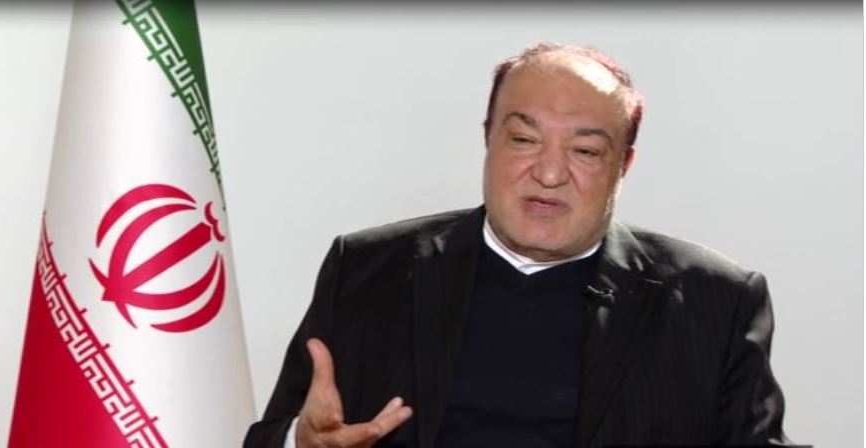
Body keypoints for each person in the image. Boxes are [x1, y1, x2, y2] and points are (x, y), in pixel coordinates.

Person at [244, 43, 792, 448]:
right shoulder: (367, 268)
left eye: (585, 150)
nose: (549, 173)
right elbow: (272, 436)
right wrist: (300, 443)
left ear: (623, 164)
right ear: (489, 138)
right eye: (525, 139)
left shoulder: (715, 300)